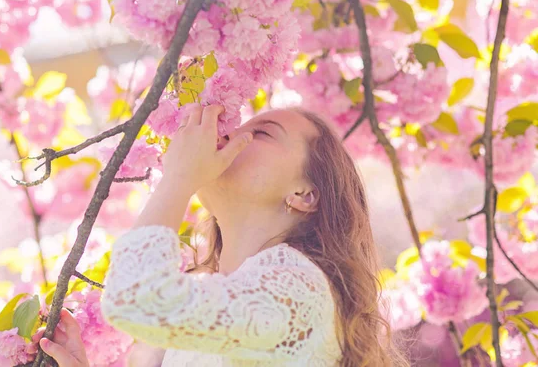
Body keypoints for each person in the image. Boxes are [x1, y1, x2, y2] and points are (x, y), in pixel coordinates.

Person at [37, 104, 408, 366]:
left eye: (261, 133)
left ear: (304, 194)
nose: (232, 135)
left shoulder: (300, 288)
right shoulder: (221, 300)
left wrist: (179, 177)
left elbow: (138, 299)